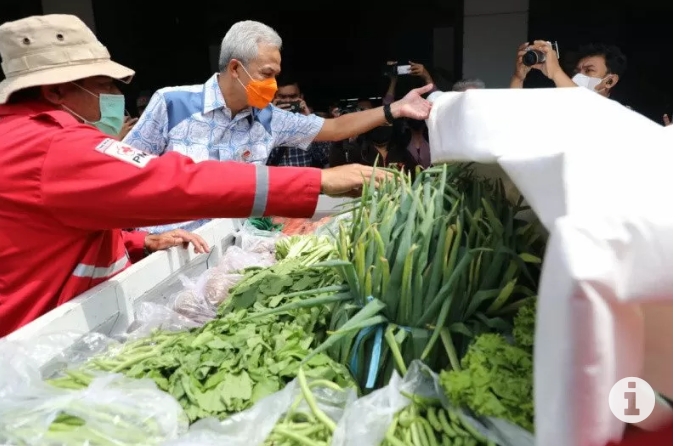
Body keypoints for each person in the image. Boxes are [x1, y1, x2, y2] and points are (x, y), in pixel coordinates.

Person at [0, 14, 388, 336]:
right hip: (32, 342)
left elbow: (72, 221)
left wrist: (139, 241)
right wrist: (318, 181)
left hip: (59, 323)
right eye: (103, 83)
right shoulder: (56, 147)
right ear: (55, 91)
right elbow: (172, 182)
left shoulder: (26, 138)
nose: (114, 94)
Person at [123, 20, 432, 164]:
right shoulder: (171, 104)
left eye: (276, 75)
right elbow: (123, 171)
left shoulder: (270, 119)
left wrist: (395, 109)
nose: (272, 85)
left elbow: (335, 128)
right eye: (267, 74)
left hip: (236, 250)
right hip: (166, 253)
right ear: (235, 68)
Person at [510, 41, 627, 99]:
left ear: (610, 81)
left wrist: (555, 71)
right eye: (576, 71)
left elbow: (585, 106)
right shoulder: (560, 106)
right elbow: (514, 116)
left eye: (589, 71)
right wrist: (518, 78)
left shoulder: (621, 115)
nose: (578, 76)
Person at [267, 77, 331, 168]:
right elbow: (258, 160)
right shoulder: (264, 122)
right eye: (282, 97)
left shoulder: (311, 121)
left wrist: (309, 121)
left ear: (301, 97)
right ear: (274, 98)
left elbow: (325, 157)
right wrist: (270, 119)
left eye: (293, 96)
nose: (288, 101)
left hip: (304, 176)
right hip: (277, 177)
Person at [329, 122, 418, 174]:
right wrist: (341, 140)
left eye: (386, 124)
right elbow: (337, 170)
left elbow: (416, 175)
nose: (381, 127)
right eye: (377, 124)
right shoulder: (357, 150)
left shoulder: (401, 153)